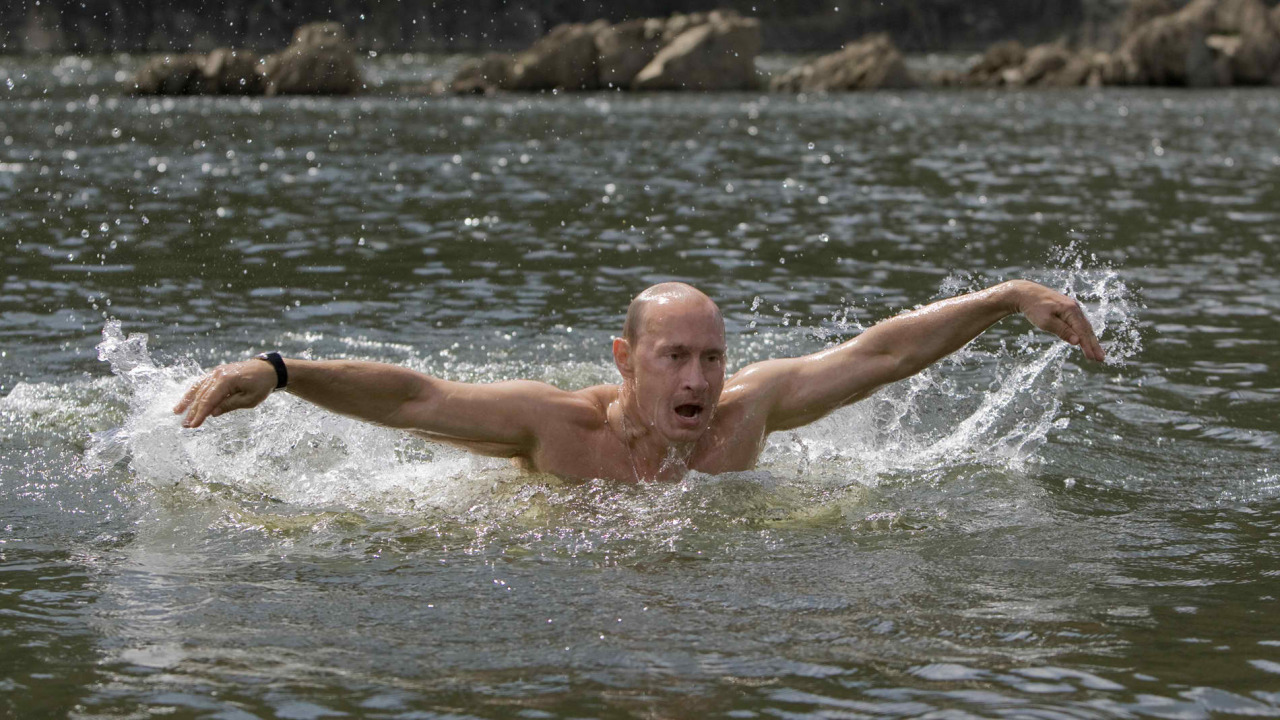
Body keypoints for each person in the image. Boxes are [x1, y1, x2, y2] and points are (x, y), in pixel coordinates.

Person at [175, 280, 1104, 482]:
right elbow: (416, 398)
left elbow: (879, 354)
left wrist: (1009, 298)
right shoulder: (555, 428)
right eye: (676, 357)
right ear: (625, 362)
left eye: (711, 356)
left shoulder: (748, 417)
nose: (700, 377)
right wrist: (282, 371)